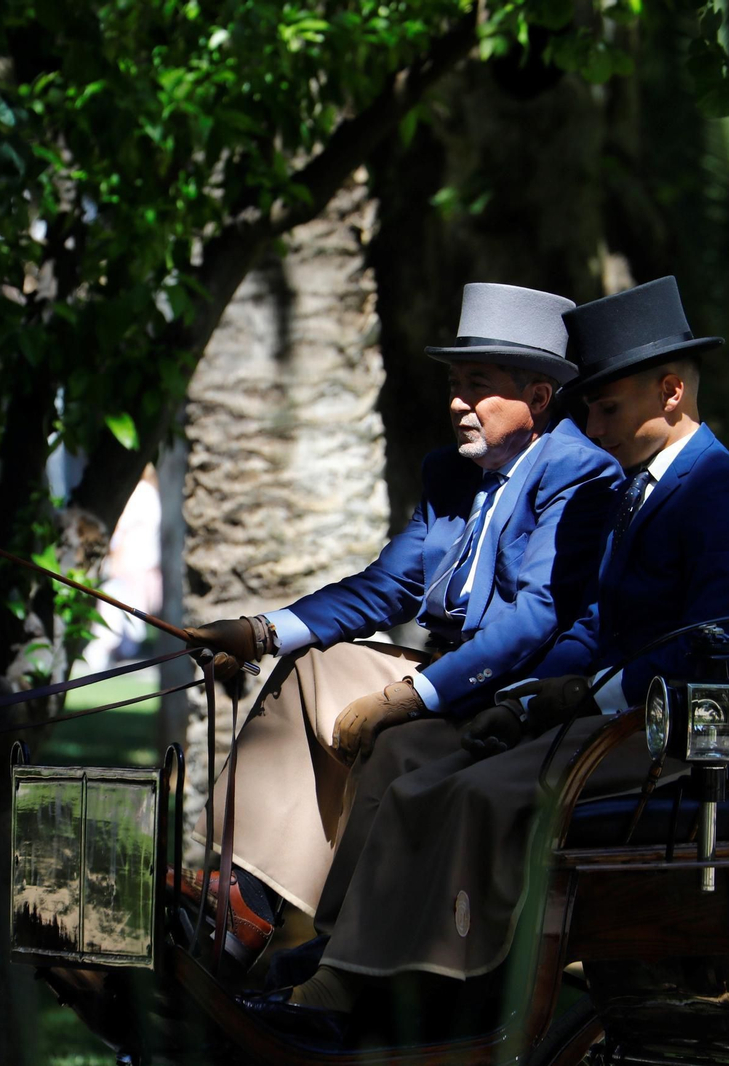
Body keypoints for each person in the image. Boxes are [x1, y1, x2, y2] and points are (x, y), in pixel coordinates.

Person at [245, 276, 729, 1043]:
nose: (591, 426)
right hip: (606, 717)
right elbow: (593, 622)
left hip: (671, 743)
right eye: (588, 409)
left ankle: (425, 990)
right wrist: (536, 696)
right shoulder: (647, 485)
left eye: (607, 409)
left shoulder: (717, 492)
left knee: (476, 793)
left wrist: (581, 701)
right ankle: (351, 963)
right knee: (420, 769)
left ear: (670, 392)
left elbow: (719, 651)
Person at [181, 282, 621, 958]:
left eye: (478, 387)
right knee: (312, 670)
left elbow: (537, 619)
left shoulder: (578, 473)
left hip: (523, 688)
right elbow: (387, 587)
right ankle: (240, 902)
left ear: (538, 398)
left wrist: (409, 695)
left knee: (395, 742)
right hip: (452, 667)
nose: (456, 403)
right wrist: (261, 631)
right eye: (453, 385)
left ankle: (333, 945)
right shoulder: (450, 474)